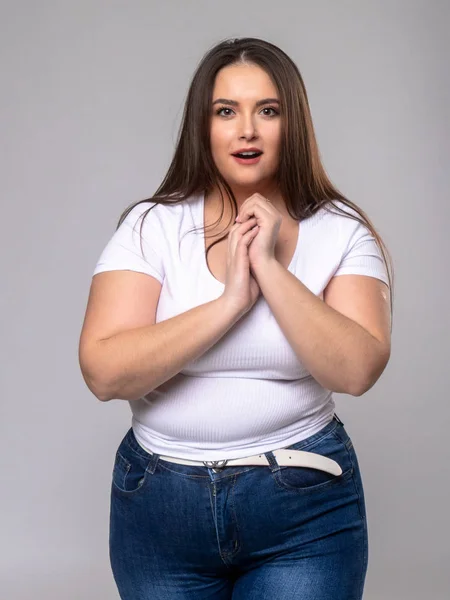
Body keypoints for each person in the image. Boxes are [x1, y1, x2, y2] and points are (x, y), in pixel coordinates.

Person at [78, 37, 393, 600]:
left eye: (267, 111)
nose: (247, 129)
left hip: (303, 507)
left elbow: (357, 370)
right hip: (159, 510)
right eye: (227, 111)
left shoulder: (341, 230)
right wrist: (229, 303)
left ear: (292, 124)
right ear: (204, 127)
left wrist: (269, 269)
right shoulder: (151, 227)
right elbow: (104, 372)